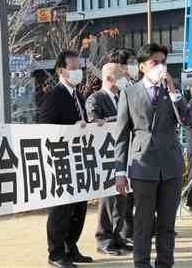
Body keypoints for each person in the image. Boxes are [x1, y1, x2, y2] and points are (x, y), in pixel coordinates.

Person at [115, 43, 188, 268]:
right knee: (143, 222)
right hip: (142, 166)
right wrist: (119, 171)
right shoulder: (129, 92)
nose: (160, 66)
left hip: (171, 166)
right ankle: (141, 263)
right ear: (142, 67)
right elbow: (121, 135)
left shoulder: (172, 91)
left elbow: (186, 120)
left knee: (167, 223)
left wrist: (174, 92)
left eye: (163, 62)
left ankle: (165, 264)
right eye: (155, 62)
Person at [39, 50, 93, 268]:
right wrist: (70, 129)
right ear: (61, 71)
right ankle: (56, 252)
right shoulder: (55, 97)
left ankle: (71, 246)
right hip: (61, 159)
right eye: (73, 68)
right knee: (61, 209)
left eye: (79, 67)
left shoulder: (78, 95)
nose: (78, 71)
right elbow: (45, 128)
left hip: (79, 159)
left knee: (79, 208)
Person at [86, 63, 133, 256]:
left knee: (122, 198)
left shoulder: (122, 97)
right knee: (107, 200)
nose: (125, 79)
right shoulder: (95, 99)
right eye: (121, 76)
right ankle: (103, 239)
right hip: (105, 157)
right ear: (110, 78)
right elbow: (94, 124)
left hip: (122, 155)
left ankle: (117, 236)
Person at [110, 48, 138, 243]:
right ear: (120, 66)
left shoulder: (133, 84)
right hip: (120, 150)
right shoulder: (119, 87)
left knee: (132, 196)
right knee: (120, 198)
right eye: (131, 62)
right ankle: (119, 233)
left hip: (134, 150)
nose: (134, 66)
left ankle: (129, 230)